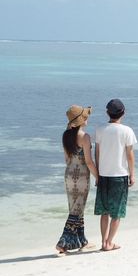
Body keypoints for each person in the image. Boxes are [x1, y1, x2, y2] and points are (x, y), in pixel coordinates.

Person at [94, 98, 137, 251]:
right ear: (123, 113)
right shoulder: (127, 131)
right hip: (120, 175)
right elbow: (130, 155)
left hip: (103, 175)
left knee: (104, 211)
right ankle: (109, 242)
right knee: (117, 212)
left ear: (107, 113)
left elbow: (97, 153)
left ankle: (103, 241)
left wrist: (97, 174)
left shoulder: (100, 129)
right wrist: (132, 174)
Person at [56, 105, 99, 255]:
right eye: (85, 117)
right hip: (81, 176)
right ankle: (62, 243)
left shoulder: (65, 135)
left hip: (69, 175)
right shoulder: (84, 137)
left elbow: (67, 159)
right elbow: (89, 162)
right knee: (77, 210)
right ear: (81, 120)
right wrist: (98, 176)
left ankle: (82, 241)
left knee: (75, 208)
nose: (87, 119)